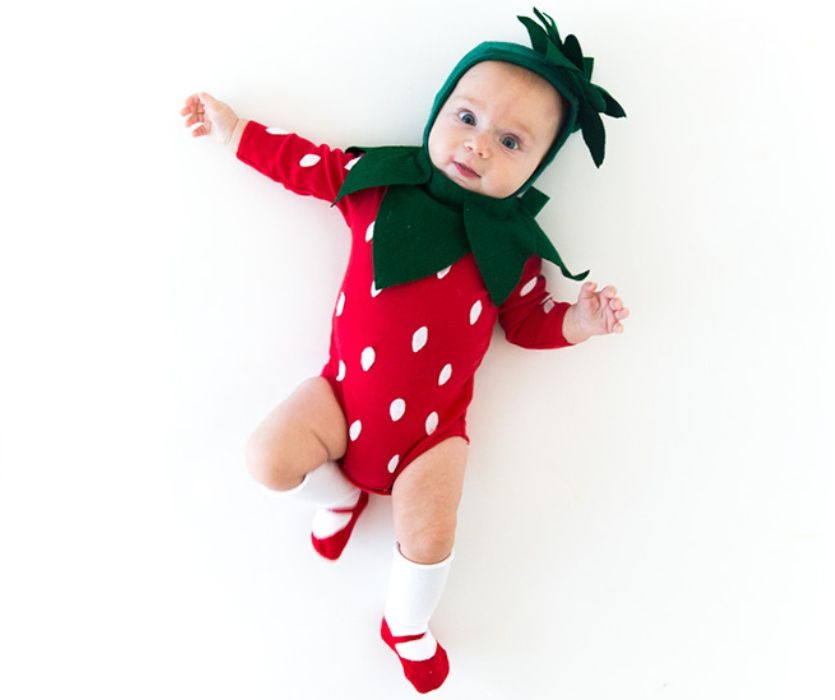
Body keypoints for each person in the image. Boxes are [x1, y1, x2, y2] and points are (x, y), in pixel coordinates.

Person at [181, 8, 629, 693]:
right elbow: (307, 165)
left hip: (432, 434)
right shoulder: (379, 181)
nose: (478, 146)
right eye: (468, 117)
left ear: (538, 164)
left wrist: (578, 321)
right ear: (440, 106)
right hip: (339, 398)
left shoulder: (511, 244)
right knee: (266, 459)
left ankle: (406, 625)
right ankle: (338, 498)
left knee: (428, 537)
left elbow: (526, 322)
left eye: (510, 142)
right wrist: (234, 130)